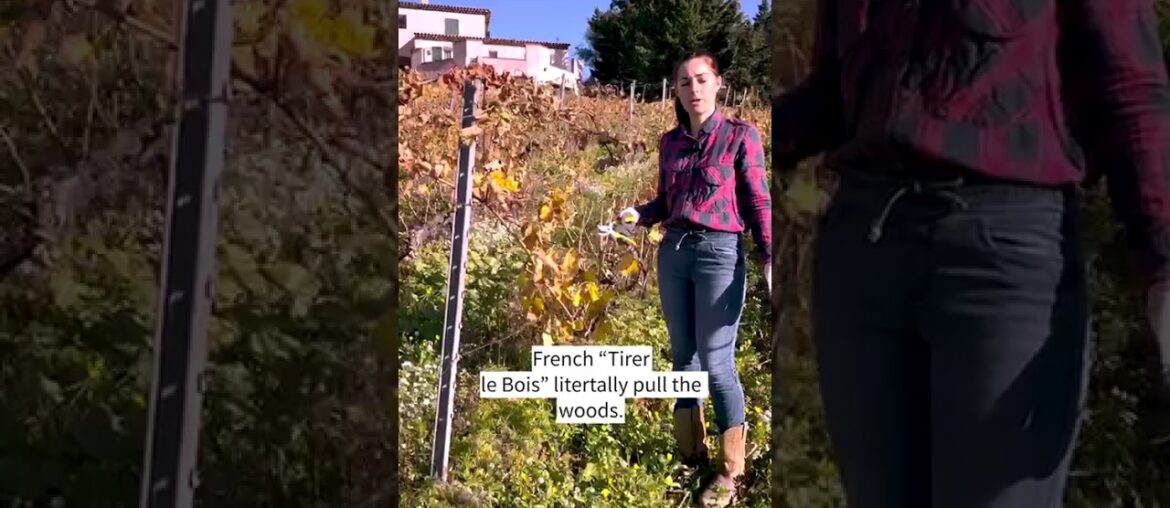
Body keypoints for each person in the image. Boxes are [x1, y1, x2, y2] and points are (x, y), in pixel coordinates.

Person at [773, 1, 1170, 507]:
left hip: (1003, 258)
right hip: (863, 250)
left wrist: (1162, 266)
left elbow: (1131, 88)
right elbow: (841, 91)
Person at [616, 50, 771, 507]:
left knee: (717, 361)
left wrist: (769, 255)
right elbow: (665, 201)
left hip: (719, 254)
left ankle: (729, 470)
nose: (693, 89)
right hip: (675, 252)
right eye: (684, 83)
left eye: (701, 79)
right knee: (683, 356)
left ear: (717, 83)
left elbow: (759, 202)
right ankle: (690, 454)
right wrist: (636, 214)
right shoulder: (670, 143)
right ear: (677, 92)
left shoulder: (741, 137)